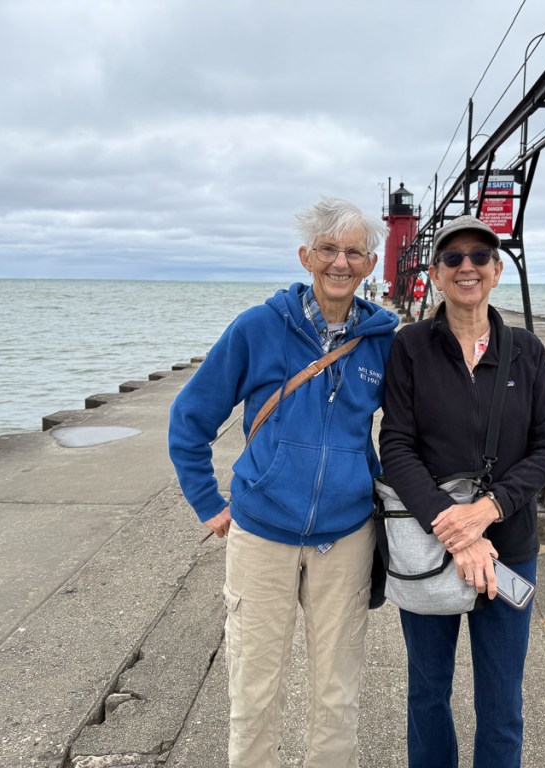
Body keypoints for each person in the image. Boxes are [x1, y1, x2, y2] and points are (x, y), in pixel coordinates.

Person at [169, 197, 399, 767]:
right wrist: (208, 503)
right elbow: (189, 420)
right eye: (327, 250)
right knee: (253, 690)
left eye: (353, 252)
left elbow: (410, 432)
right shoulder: (257, 327)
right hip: (261, 534)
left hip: (345, 537)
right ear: (305, 257)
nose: (339, 263)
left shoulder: (383, 342)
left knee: (337, 693)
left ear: (370, 265)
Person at [379, 214, 545, 767]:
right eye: (454, 258)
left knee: (502, 699)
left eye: (480, 257)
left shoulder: (526, 352)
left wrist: (486, 511)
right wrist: (454, 528)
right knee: (427, 692)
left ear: (497, 271)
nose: (467, 267)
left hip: (509, 550)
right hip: (431, 545)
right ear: (435, 274)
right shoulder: (410, 347)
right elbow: (397, 448)